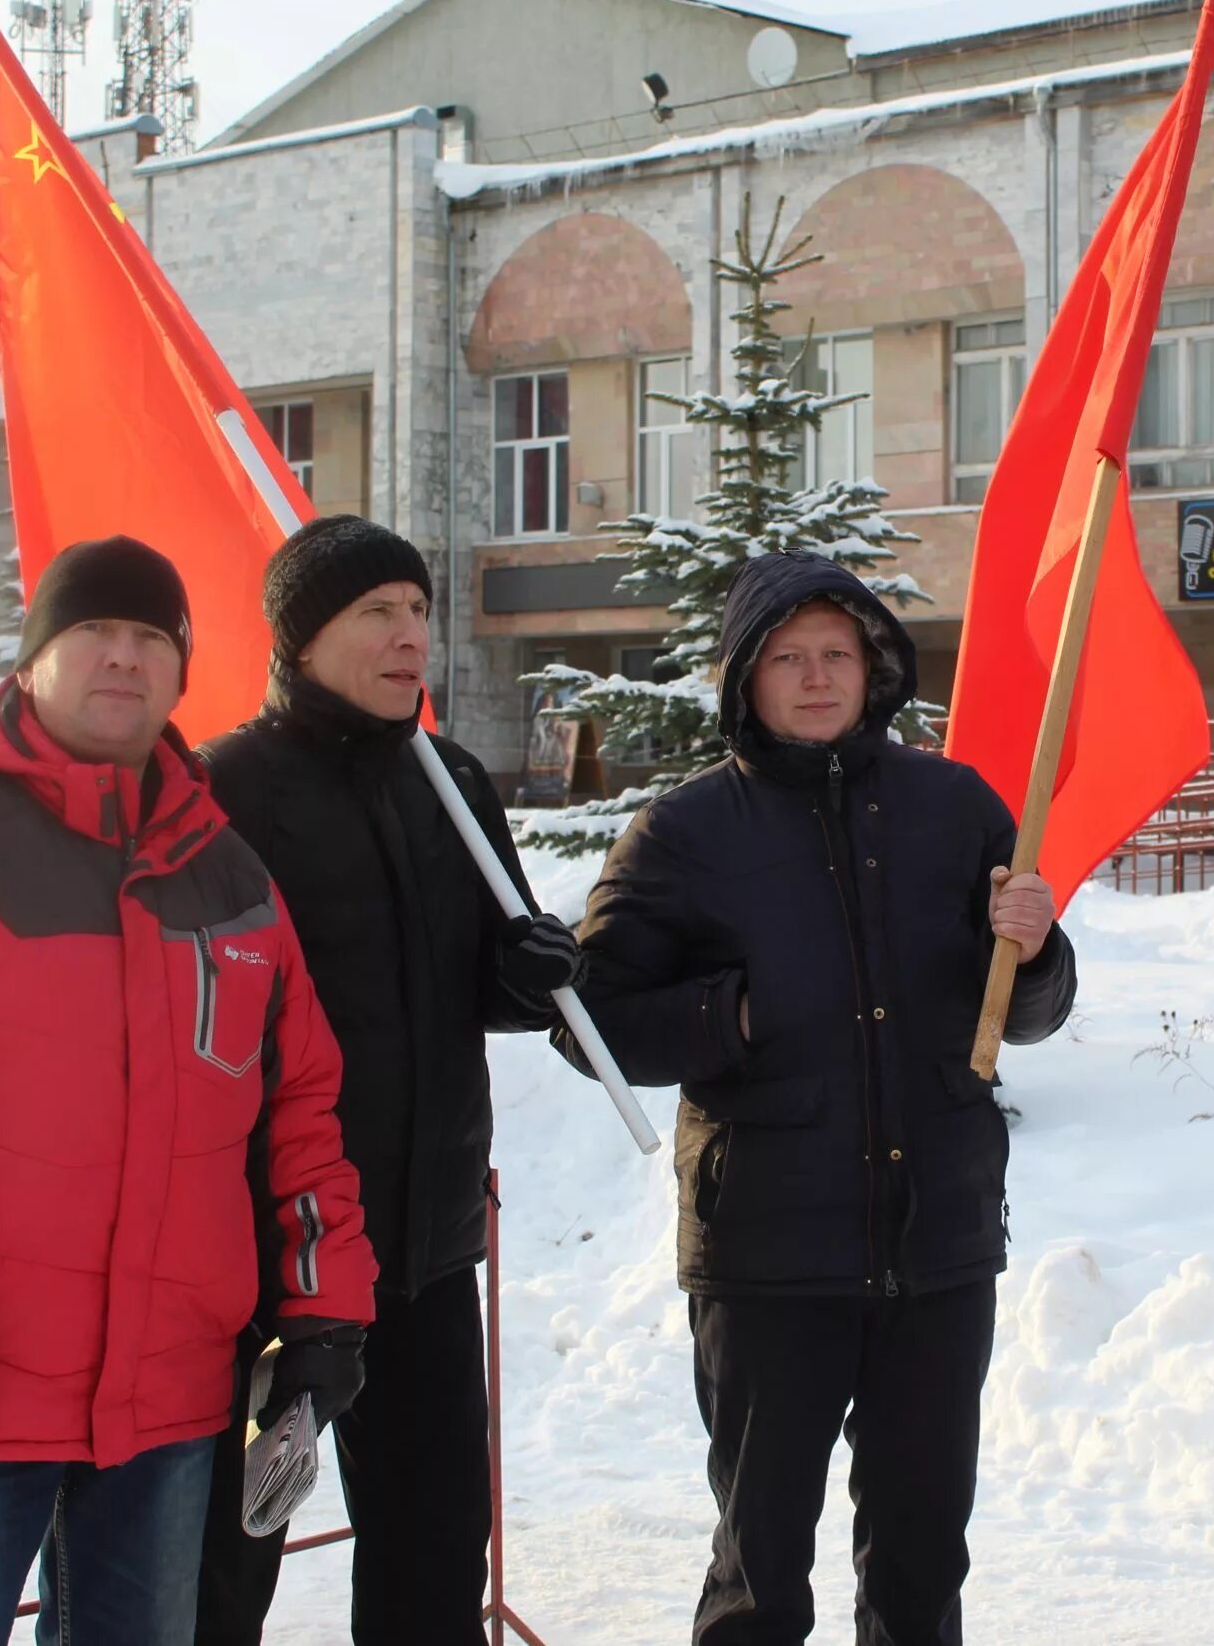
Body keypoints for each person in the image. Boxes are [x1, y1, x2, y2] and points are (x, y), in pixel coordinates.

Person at [0, 535, 378, 1646]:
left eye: (152, 639)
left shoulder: (229, 877)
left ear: (182, 673)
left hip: (170, 1405)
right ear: (36, 657)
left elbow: (300, 1112)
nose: (124, 659)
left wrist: (324, 1306)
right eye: (93, 630)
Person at [559, 551, 1077, 1646]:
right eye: (786, 658)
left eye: (836, 653)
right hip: (767, 1254)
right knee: (761, 1563)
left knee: (923, 1554)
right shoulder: (686, 832)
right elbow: (588, 1015)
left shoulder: (953, 806)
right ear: (745, 678)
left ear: (874, 667)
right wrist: (729, 1017)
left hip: (934, 1245)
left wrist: (1031, 953)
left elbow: (1029, 1012)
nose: (814, 677)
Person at [192, 515, 583, 1646]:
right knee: (228, 1559)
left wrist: (532, 972)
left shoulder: (449, 778)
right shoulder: (227, 790)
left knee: (432, 1550)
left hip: (421, 1247)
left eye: (418, 610)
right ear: (301, 637)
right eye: (377, 612)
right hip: (267, 1258)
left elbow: (488, 981)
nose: (411, 634)